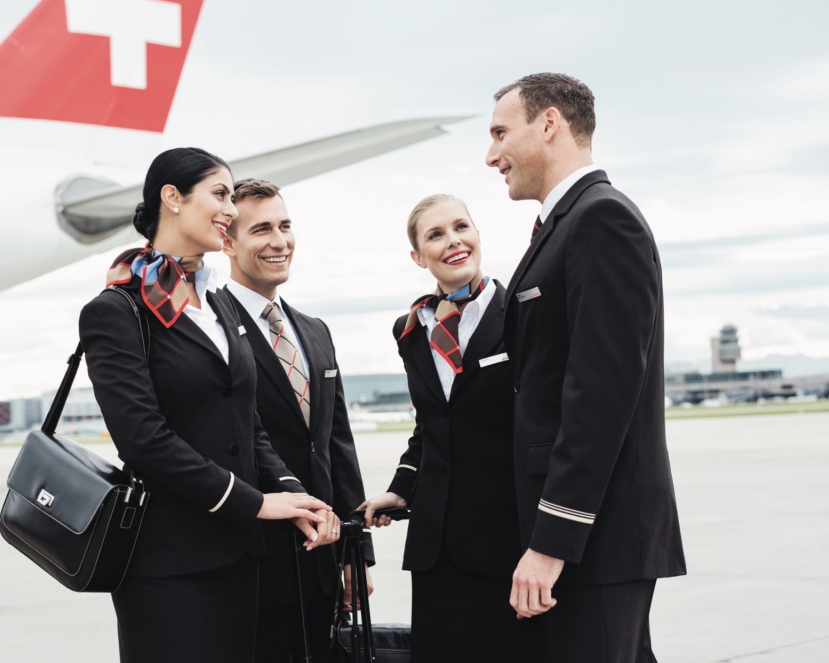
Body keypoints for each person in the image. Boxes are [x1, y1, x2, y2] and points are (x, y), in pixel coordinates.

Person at [78, 148, 334, 663]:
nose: (230, 210)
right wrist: (254, 502)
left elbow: (248, 421)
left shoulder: (218, 304)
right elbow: (143, 440)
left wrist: (293, 493)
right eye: (219, 194)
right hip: (168, 566)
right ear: (171, 198)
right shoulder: (117, 310)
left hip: (240, 557)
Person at [485, 73, 687, 662]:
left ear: (548, 124)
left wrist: (554, 542)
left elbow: (599, 397)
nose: (491, 154)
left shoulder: (601, 220)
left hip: (594, 538)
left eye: (501, 132)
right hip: (582, 537)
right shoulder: (564, 224)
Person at [359, 194, 542, 662]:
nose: (453, 241)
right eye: (435, 235)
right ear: (418, 256)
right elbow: (433, 423)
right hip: (438, 548)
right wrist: (401, 488)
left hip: (509, 542)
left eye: (461, 227)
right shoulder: (411, 329)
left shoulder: (522, 315)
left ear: (478, 236)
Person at [220, 178, 374, 662]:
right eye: (261, 228)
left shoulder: (314, 330)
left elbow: (337, 446)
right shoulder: (212, 325)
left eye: (285, 226)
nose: (279, 241)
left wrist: (356, 553)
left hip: (323, 556)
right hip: (254, 560)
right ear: (227, 240)